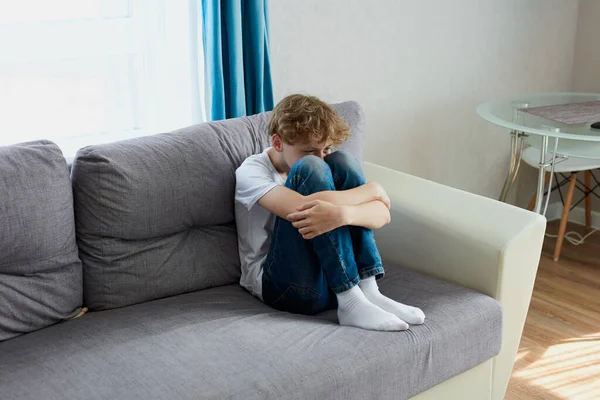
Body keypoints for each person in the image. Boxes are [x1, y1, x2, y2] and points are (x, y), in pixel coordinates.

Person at [235, 94, 425, 331]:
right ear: (277, 142)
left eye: (325, 149)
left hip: (331, 280)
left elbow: (382, 215)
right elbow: (304, 210)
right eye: (309, 150)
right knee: (310, 169)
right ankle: (350, 302)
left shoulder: (328, 163)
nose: (321, 158)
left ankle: (368, 290)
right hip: (286, 287)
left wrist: (345, 215)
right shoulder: (251, 172)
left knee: (343, 161)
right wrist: (372, 191)